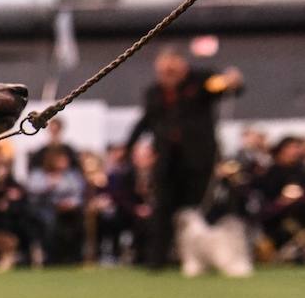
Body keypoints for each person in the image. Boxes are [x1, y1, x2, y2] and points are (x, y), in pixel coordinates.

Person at [124, 48, 244, 269]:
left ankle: (209, 259)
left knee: (200, 210)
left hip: (198, 160)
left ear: (183, 66)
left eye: (172, 69)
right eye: (163, 70)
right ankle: (157, 261)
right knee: (162, 209)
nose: (168, 74)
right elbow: (146, 121)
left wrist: (233, 81)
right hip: (166, 161)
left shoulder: (201, 81)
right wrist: (128, 147)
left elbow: (225, 88)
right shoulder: (154, 93)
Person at [254, 135, 305, 263]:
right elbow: (264, 198)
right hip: (276, 218)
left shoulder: (300, 170)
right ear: (282, 149)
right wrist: (282, 201)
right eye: (293, 147)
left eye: (297, 147)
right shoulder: (271, 171)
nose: (296, 151)